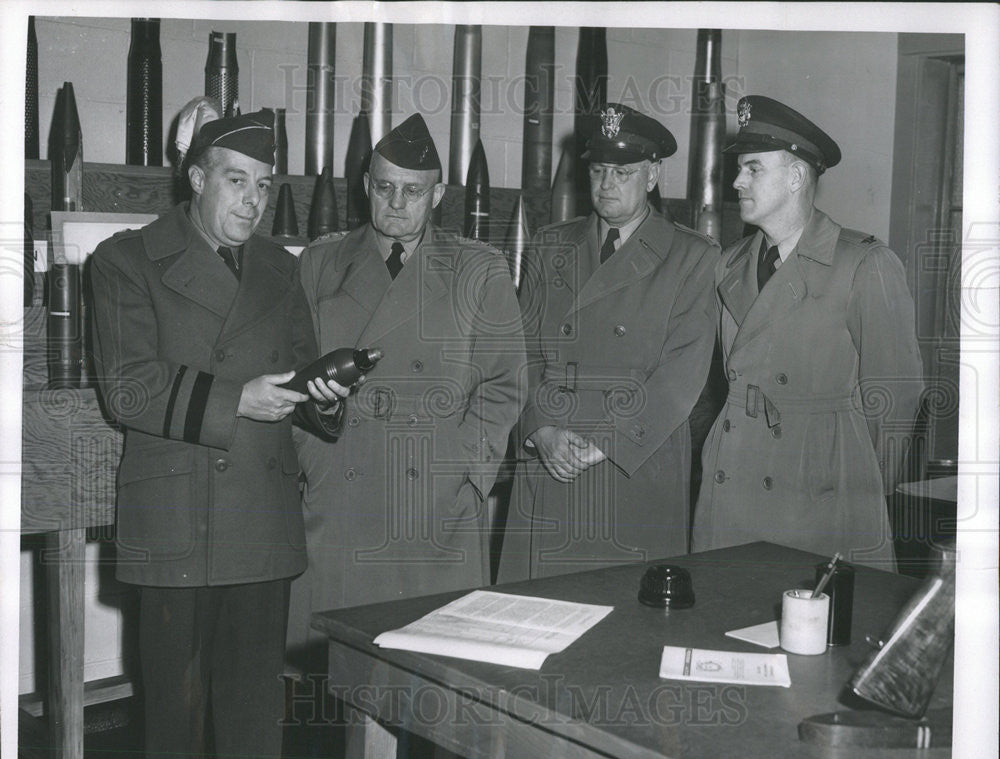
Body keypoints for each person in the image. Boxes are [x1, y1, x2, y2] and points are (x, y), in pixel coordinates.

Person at [90, 110, 343, 759]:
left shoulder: (278, 270)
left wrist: (325, 395)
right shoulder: (125, 260)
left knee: (254, 728)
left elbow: (299, 364)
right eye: (237, 181)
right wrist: (239, 402)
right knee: (173, 730)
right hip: (178, 526)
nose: (253, 200)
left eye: (263, 186)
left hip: (259, 520)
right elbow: (129, 388)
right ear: (197, 178)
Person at [287, 113, 526, 655]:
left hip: (433, 504)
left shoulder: (478, 270)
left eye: (413, 191)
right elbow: (293, 375)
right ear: (367, 187)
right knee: (333, 671)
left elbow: (504, 384)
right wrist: (313, 457)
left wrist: (463, 469)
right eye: (386, 187)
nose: (397, 203)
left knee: (432, 673)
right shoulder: (321, 263)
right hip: (342, 493)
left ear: (437, 193)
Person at [691, 95, 924, 569]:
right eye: (740, 169)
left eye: (753, 169)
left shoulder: (864, 264)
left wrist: (851, 484)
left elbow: (896, 399)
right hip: (731, 483)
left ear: (796, 178)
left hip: (818, 493)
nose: (736, 181)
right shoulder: (730, 265)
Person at [498, 103, 719, 582]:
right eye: (598, 170)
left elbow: (681, 377)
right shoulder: (551, 245)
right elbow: (522, 354)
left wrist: (604, 442)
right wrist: (540, 431)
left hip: (632, 466)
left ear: (654, 175)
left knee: (620, 633)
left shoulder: (691, 257)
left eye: (624, 172)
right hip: (551, 461)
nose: (606, 184)